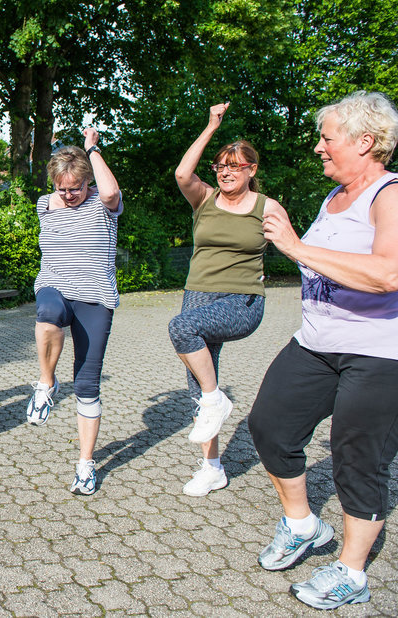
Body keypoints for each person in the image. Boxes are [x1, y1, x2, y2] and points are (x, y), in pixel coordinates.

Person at [249, 90, 398, 610]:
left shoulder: (390, 195)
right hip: (316, 343)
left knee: (357, 459)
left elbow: (388, 274)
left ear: (365, 141)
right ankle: (303, 524)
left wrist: (294, 246)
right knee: (270, 428)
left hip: (378, 353)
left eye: (326, 137)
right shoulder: (332, 198)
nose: (318, 147)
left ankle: (352, 574)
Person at [167, 102, 283, 498]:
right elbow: (183, 172)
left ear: (252, 170)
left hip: (243, 299)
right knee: (196, 385)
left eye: (236, 166)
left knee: (182, 329)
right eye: (221, 166)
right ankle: (212, 467)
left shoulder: (268, 207)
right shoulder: (205, 199)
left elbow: (298, 247)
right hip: (198, 294)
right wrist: (211, 127)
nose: (227, 172)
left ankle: (215, 401)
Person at [27, 129, 121, 495]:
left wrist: (92, 148)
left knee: (86, 385)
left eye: (76, 188)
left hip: (95, 297)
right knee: (47, 312)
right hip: (56, 286)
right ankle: (46, 383)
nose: (69, 195)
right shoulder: (44, 204)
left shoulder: (104, 203)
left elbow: (110, 191)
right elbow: (55, 190)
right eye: (62, 188)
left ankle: (85, 465)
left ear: (87, 183)